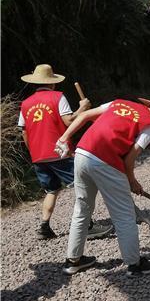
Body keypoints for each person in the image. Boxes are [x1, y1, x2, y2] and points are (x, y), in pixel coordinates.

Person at [56, 95, 150, 277]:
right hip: (105, 161)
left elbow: (84, 116)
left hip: (82, 153)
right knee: (124, 215)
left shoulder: (119, 103)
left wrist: (63, 138)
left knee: (82, 208)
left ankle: (73, 261)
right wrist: (132, 181)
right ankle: (134, 265)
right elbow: (129, 159)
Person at [18, 63, 112, 241]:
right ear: (52, 82)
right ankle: (88, 226)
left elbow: (23, 131)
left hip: (38, 155)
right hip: (59, 151)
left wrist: (33, 151)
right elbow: (69, 122)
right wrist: (83, 108)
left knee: (51, 190)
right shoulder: (57, 97)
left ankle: (44, 227)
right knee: (80, 185)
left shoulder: (25, 103)